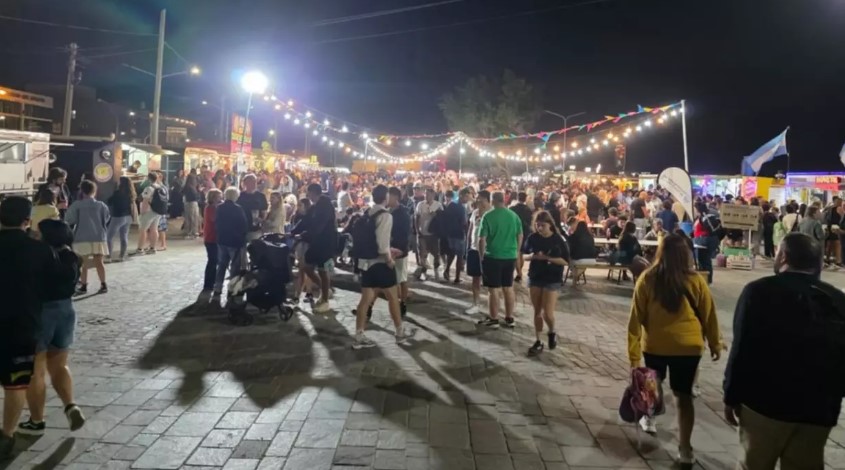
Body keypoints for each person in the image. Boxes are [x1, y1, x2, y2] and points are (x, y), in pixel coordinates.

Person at [724, 233, 845, 469]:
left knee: (755, 463)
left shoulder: (759, 292)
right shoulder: (837, 299)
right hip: (818, 409)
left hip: (765, 404)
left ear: (783, 257)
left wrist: (731, 395)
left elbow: (742, 348)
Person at [627, 234, 722, 465]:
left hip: (656, 344)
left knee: (652, 385)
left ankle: (650, 418)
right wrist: (715, 343)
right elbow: (709, 314)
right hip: (688, 347)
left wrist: (634, 355)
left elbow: (635, 318)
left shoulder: (647, 279)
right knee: (683, 397)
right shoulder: (696, 280)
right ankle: (685, 449)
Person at [0, 197, 60, 459]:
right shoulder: (40, 250)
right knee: (15, 384)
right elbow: (54, 287)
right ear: (27, 220)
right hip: (22, 324)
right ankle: (6, 435)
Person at [17, 219, 85, 436]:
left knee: (35, 371)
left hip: (41, 313)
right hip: (66, 312)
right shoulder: (72, 257)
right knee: (59, 365)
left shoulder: (40, 258)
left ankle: (36, 421)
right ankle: (70, 405)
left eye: (38, 232)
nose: (34, 233)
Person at [351, 185, 416, 349]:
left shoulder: (368, 213)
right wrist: (389, 259)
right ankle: (399, 332)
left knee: (365, 300)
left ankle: (359, 335)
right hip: (380, 263)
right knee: (393, 297)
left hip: (366, 263)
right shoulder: (386, 216)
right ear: (385, 197)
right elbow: (382, 244)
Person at [522, 210, 570, 355]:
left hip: (552, 278)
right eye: (537, 225)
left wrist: (548, 258)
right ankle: (538, 341)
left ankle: (551, 331)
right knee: (537, 311)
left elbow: (565, 261)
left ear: (550, 225)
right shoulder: (532, 238)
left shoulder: (558, 239)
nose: (540, 228)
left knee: (547, 313)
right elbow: (523, 255)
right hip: (535, 276)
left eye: (542, 225)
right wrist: (532, 256)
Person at [477, 191, 523, 329]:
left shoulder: (488, 216)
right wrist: (516, 251)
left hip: (493, 256)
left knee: (493, 289)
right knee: (508, 287)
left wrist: (481, 256)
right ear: (504, 200)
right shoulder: (514, 216)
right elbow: (520, 235)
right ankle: (509, 317)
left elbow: (481, 239)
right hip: (510, 256)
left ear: (492, 200)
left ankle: (494, 318)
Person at [296, 183, 337, 313]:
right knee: (306, 266)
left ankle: (325, 300)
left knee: (323, 271)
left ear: (313, 192)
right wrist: (294, 231)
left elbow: (319, 226)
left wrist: (304, 234)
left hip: (326, 243)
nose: (308, 195)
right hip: (316, 242)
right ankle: (325, 290)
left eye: (309, 193)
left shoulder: (325, 206)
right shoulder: (315, 207)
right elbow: (306, 221)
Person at [65, 180, 110, 295]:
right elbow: (106, 218)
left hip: (82, 236)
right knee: (99, 262)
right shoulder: (101, 205)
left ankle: (84, 286)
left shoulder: (77, 205)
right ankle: (103, 284)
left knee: (83, 264)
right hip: (99, 236)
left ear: (82, 191)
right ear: (94, 191)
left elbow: (70, 219)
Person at [213, 187, 248, 296]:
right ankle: (232, 288)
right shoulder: (238, 209)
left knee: (222, 265)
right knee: (235, 266)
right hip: (235, 241)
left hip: (222, 239)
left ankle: (218, 287)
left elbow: (216, 222)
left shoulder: (219, 208)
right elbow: (243, 225)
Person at [387, 186, 412, 317]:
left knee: (401, 279)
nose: (387, 199)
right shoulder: (388, 211)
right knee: (393, 279)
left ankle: (402, 303)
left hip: (399, 250)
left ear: (395, 197)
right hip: (389, 250)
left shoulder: (403, 214)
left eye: (389, 196)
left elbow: (405, 234)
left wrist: (401, 250)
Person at [465, 190, 490, 315]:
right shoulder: (475, 212)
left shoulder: (491, 214)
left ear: (487, 200)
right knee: (475, 278)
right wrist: (468, 246)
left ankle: (492, 305)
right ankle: (476, 303)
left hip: (488, 252)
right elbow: (470, 230)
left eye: (480, 199)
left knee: (490, 281)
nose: (477, 200)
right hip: (474, 250)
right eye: (477, 198)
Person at [133, 172, 166, 255]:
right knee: (154, 229)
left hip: (149, 211)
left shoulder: (149, 188)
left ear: (148, 178)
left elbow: (145, 200)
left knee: (143, 230)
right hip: (158, 211)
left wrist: (142, 212)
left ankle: (140, 249)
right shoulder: (160, 187)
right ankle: (152, 248)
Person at [105, 177, 137, 263]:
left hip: (118, 217)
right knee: (124, 236)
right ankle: (121, 256)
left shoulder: (117, 193)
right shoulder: (131, 194)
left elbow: (109, 201)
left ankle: (108, 256)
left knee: (109, 237)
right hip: (128, 217)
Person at [415, 188, 443, 281]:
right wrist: (417, 230)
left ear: (433, 195)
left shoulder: (438, 205)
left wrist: (436, 215)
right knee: (422, 254)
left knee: (436, 254)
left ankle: (436, 271)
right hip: (423, 233)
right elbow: (416, 217)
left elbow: (442, 218)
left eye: (428, 194)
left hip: (434, 234)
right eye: (425, 194)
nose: (426, 196)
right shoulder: (420, 204)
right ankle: (424, 272)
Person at [443, 189, 469, 284]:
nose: (467, 199)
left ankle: (447, 270)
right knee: (459, 256)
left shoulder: (451, 205)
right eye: (466, 196)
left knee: (451, 253)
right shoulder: (461, 208)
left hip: (450, 234)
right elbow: (464, 222)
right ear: (461, 195)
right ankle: (457, 277)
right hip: (459, 234)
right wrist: (467, 232)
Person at [238, 174, 269, 246]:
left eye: (255, 182)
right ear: (245, 183)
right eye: (250, 182)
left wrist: (262, 219)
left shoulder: (261, 196)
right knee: (241, 250)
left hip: (255, 229)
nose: (253, 184)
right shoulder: (240, 195)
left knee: (255, 248)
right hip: (241, 228)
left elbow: (264, 211)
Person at [511, 191, 534, 283]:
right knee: (521, 253)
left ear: (517, 198)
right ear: (525, 199)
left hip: (514, 232)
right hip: (525, 232)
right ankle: (519, 272)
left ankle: (519, 273)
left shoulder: (512, 208)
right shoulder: (528, 210)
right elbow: (530, 222)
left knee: (516, 252)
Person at [202, 189, 222, 294]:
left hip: (214, 238)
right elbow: (214, 219)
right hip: (211, 238)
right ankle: (208, 284)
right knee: (212, 261)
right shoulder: (210, 208)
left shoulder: (213, 207)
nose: (221, 198)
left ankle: (212, 282)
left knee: (215, 260)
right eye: (219, 196)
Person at [181, 174, 201, 239]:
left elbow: (182, 192)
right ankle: (192, 232)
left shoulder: (187, 186)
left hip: (188, 203)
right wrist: (199, 192)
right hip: (192, 203)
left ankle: (190, 232)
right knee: (193, 218)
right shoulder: (191, 187)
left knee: (189, 218)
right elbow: (195, 196)